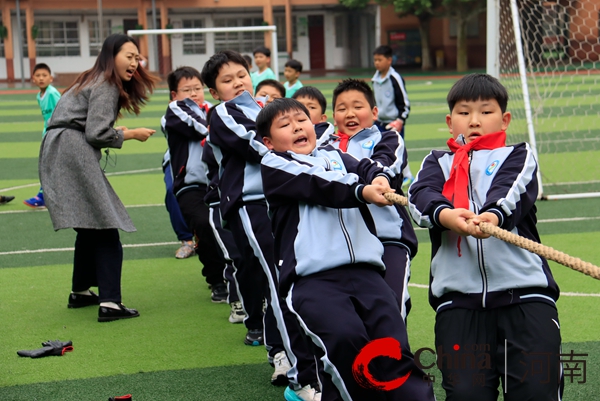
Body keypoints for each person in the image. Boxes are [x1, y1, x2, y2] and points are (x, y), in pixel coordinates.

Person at [259, 98, 435, 401]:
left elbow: (369, 168)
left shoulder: (337, 156)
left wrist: (379, 179)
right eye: (285, 125)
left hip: (367, 274)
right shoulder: (274, 165)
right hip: (313, 281)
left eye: (301, 120)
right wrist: (363, 191)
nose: (298, 127)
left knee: (393, 348)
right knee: (344, 342)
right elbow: (318, 185)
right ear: (268, 141)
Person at [408, 73, 563, 400]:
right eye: (464, 113)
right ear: (450, 122)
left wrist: (491, 216)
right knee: (466, 394)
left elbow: (511, 191)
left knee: (536, 391)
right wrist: (448, 216)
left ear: (504, 119)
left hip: (526, 296)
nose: (474, 120)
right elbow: (420, 198)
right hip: (458, 303)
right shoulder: (437, 162)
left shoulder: (519, 155)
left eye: (485, 111)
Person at [201, 50, 318, 393]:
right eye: (227, 80)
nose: (237, 82)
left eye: (241, 74)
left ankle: (281, 350)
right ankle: (301, 375)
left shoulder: (268, 107)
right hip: (252, 204)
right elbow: (259, 147)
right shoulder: (222, 113)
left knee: (283, 278)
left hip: (283, 200)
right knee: (278, 277)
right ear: (215, 92)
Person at [39, 33, 160, 322]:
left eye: (136, 58)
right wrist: (130, 134)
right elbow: (97, 134)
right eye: (128, 56)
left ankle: (80, 291)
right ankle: (110, 303)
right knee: (106, 226)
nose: (134, 63)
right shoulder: (107, 84)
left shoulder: (88, 78)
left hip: (57, 147)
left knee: (88, 225)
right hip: (73, 149)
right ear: (110, 55)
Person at [321, 78, 417, 320]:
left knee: (392, 305)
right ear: (334, 116)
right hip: (342, 245)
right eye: (342, 109)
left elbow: (385, 163)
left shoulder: (389, 138)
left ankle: (394, 357)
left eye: (358, 106)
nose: (350, 113)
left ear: (374, 112)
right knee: (348, 315)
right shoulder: (323, 148)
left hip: (388, 239)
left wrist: (378, 178)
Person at [162, 66, 228, 302]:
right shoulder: (174, 111)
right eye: (186, 89)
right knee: (204, 224)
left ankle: (232, 276)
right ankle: (217, 281)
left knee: (228, 229)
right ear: (174, 95)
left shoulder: (215, 111)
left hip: (219, 185)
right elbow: (203, 129)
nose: (193, 93)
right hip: (190, 185)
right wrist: (225, 127)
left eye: (197, 88)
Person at [371, 45, 414, 189]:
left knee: (397, 150)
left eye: (380, 60)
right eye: (375, 60)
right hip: (379, 122)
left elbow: (405, 103)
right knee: (377, 149)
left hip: (393, 122)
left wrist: (400, 120)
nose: (377, 63)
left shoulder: (395, 78)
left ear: (389, 60)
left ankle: (407, 176)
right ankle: (383, 175)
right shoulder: (375, 79)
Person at [24, 63, 61, 209]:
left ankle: (42, 196)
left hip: (56, 134)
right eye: (38, 76)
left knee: (48, 166)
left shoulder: (52, 93)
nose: (41, 78)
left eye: (44, 75)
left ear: (51, 78)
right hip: (48, 134)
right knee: (50, 166)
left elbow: (62, 109)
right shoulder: (39, 96)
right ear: (33, 78)